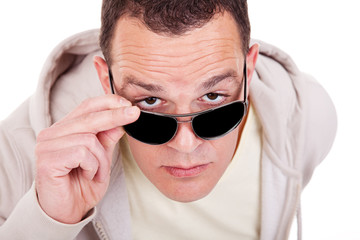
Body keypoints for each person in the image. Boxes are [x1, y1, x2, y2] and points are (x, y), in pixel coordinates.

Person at [0, 0, 337, 239]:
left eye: (214, 98)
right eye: (151, 101)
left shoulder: (306, 119)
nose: (186, 145)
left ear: (248, 69)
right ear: (108, 82)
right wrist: (47, 220)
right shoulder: (19, 154)